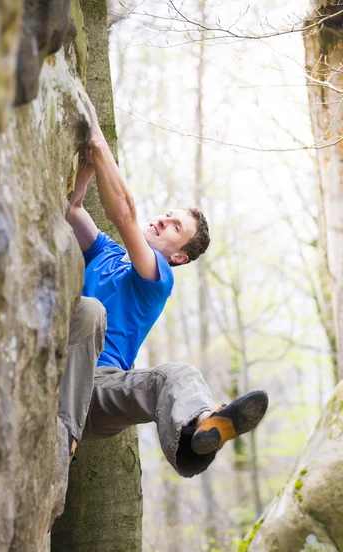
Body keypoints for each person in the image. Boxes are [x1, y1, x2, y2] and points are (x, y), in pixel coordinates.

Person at [58, 96, 268, 477]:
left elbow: (123, 212)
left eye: (175, 228)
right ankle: (63, 439)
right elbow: (73, 211)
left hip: (100, 392)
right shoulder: (105, 252)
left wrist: (98, 140)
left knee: (176, 374)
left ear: (180, 256)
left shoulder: (157, 278)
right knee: (89, 310)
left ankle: (202, 427)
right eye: (167, 215)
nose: (162, 221)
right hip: (61, 370)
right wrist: (87, 171)